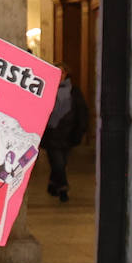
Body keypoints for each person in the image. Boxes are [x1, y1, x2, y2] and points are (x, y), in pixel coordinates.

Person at [43, 69, 88, 202]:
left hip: (68, 134)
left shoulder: (74, 92)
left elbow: (81, 111)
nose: (60, 75)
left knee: (61, 163)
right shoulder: (47, 89)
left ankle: (53, 184)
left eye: (62, 72)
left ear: (66, 74)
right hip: (52, 134)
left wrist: (80, 130)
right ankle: (63, 188)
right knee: (58, 163)